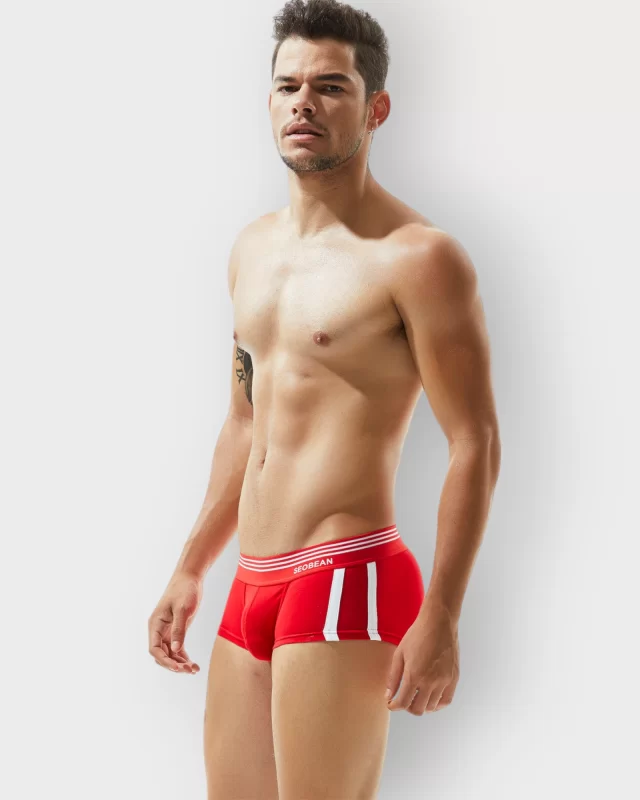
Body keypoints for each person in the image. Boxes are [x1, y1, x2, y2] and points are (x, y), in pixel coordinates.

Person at [147, 1, 501, 797]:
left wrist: (444, 615)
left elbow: (474, 440)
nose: (304, 103)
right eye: (289, 86)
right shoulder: (252, 249)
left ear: (377, 108)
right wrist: (190, 567)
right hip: (252, 578)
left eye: (331, 87)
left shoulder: (419, 258)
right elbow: (245, 421)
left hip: (345, 571)